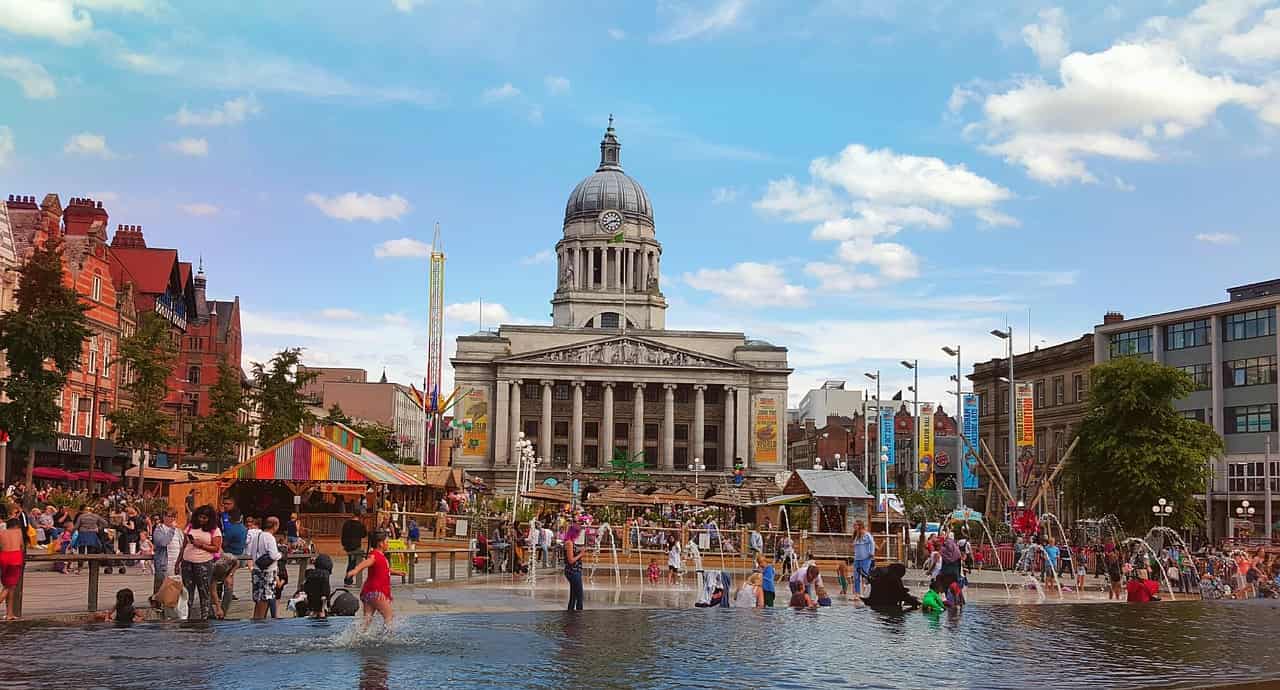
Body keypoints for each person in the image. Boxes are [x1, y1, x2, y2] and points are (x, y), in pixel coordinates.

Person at [347, 530, 404, 630]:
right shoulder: (374, 555)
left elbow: (385, 570)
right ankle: (387, 638)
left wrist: (397, 572)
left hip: (368, 593)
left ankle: (358, 637)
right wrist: (356, 570)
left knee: (367, 620)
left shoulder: (380, 556)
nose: (388, 544)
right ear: (381, 544)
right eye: (387, 542)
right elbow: (367, 562)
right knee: (389, 616)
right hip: (377, 592)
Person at [177, 505, 223, 621]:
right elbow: (184, 545)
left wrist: (201, 545)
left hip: (203, 563)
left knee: (204, 592)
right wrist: (178, 562)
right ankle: (185, 617)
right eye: (200, 517)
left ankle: (205, 617)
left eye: (204, 518)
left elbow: (216, 548)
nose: (201, 520)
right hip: (187, 562)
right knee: (187, 592)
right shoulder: (190, 527)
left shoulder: (215, 530)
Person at [247, 516, 282, 620]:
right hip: (268, 570)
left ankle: (256, 617)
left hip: (256, 568)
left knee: (258, 596)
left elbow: (252, 553)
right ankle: (260, 620)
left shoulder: (257, 535)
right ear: (275, 525)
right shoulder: (270, 537)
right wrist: (280, 554)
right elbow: (273, 555)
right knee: (265, 597)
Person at [1, 508, 24, 620]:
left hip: (4, 557)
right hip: (15, 557)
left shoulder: (2, 533)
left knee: (10, 587)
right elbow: (22, 546)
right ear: (16, 526)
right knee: (8, 587)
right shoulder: (18, 532)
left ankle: (9, 613)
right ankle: (9, 613)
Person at [151, 511, 180, 596]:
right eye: (170, 516)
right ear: (164, 517)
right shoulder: (159, 529)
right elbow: (163, 543)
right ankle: (158, 606)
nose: (172, 519)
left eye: (174, 517)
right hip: (164, 563)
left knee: (173, 590)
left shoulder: (178, 531)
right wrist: (172, 529)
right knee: (160, 589)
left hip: (176, 563)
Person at [300, 554, 334, 618]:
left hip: (311, 597)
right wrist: (327, 598)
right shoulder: (325, 575)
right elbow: (326, 588)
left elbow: (305, 586)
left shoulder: (310, 573)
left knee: (314, 612)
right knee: (321, 612)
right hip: (321, 598)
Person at [341, 513, 368, 586]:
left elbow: (343, 535)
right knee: (353, 563)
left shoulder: (346, 523)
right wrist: (364, 525)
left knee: (351, 562)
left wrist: (344, 545)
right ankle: (348, 580)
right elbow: (364, 535)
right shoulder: (360, 525)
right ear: (359, 516)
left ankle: (349, 579)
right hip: (356, 547)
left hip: (347, 546)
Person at [563, 524, 585, 611]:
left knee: (574, 595)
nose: (579, 535)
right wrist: (581, 554)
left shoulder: (571, 542)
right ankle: (580, 614)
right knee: (579, 595)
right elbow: (571, 560)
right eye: (578, 533)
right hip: (573, 571)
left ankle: (570, 613)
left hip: (575, 571)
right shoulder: (569, 543)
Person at [851, 520, 875, 596]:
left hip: (865, 558)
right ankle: (857, 594)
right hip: (857, 559)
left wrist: (871, 553)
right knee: (856, 576)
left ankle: (866, 593)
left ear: (860, 526)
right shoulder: (855, 535)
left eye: (855, 525)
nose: (854, 526)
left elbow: (872, 543)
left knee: (865, 576)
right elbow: (855, 545)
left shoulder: (866, 534)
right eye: (854, 525)